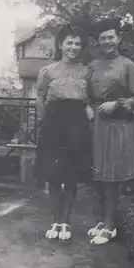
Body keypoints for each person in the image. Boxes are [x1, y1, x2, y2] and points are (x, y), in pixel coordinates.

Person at [86, 19, 134, 245]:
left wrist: (117, 104)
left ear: (118, 39)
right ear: (98, 42)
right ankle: (103, 220)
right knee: (98, 176)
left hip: (118, 125)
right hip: (96, 125)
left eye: (111, 37)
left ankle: (110, 227)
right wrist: (87, 108)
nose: (107, 41)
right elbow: (85, 94)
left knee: (111, 176)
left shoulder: (128, 65)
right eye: (103, 38)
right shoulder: (92, 66)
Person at [34, 25, 93, 241]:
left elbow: (89, 98)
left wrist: (88, 111)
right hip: (53, 122)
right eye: (69, 42)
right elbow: (40, 97)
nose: (73, 47)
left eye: (77, 43)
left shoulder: (86, 71)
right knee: (53, 174)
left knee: (71, 175)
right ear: (61, 44)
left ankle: (66, 222)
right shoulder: (47, 71)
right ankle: (55, 221)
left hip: (76, 122)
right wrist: (44, 120)